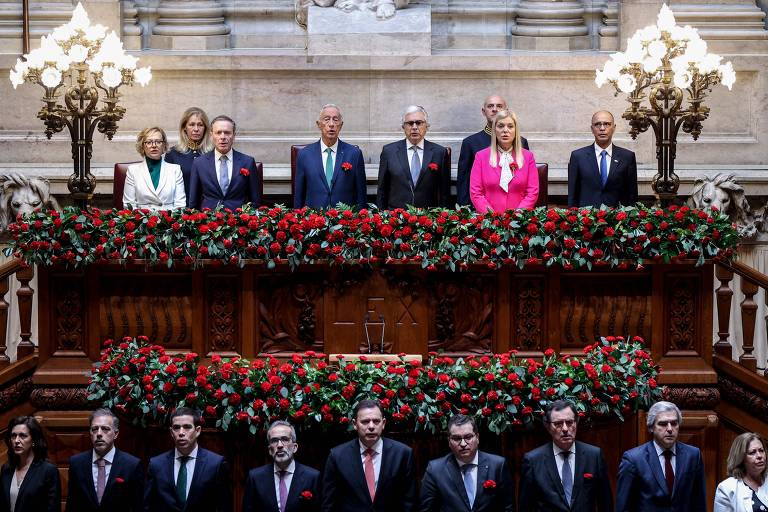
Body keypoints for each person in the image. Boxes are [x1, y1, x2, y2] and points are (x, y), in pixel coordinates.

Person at [321, 399, 416, 512]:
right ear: (355, 424)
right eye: (365, 422)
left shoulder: (403, 454)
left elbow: (409, 502)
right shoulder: (337, 456)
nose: (371, 426)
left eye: (376, 421)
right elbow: (329, 504)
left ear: (383, 423)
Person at [519, 400, 613, 512]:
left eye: (569, 422)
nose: (565, 429)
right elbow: (525, 507)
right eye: (558, 424)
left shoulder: (593, 456)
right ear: (548, 427)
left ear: (576, 423)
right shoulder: (533, 460)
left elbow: (605, 503)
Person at [615, 401, 706, 512]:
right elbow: (623, 507)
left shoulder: (693, 455)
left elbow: (699, 503)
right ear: (651, 427)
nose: (670, 429)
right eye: (663, 424)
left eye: (674, 423)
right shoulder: (633, 459)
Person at [419, 414, 515, 512]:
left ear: (477, 438)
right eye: (456, 438)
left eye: (468, 437)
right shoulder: (435, 470)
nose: (463, 444)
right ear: (449, 441)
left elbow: (508, 508)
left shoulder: (497, 465)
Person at [144, 407, 232, 512]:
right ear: (171, 432)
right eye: (176, 428)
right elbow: (147, 506)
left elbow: (224, 507)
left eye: (187, 427)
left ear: (197, 431)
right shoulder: (156, 464)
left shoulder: (215, 464)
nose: (181, 432)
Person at [65, 408, 144, 512]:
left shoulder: (131, 465)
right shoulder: (77, 463)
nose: (99, 433)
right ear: (90, 433)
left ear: (116, 434)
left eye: (105, 429)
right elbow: (72, 505)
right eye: (94, 429)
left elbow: (138, 506)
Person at [457, 95, 529, 206]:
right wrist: (465, 210)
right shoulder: (470, 143)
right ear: (483, 111)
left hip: (516, 208)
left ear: (506, 111)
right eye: (490, 106)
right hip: (480, 209)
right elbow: (464, 181)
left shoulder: (521, 142)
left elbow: (526, 181)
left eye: (499, 106)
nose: (495, 109)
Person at [376, 105, 450, 209]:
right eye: (410, 123)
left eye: (419, 123)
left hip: (428, 215)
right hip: (396, 216)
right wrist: (381, 214)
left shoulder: (439, 152)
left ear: (426, 126)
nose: (414, 127)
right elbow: (382, 189)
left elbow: (444, 192)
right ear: (403, 127)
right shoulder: (389, 152)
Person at [294, 104, 367, 209]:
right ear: (319, 124)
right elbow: (299, 194)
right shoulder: (305, 155)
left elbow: (361, 194)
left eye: (335, 120)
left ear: (341, 125)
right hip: (313, 216)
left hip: (345, 217)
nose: (331, 124)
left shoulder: (354, 154)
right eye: (327, 119)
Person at [242, 420, 321, 512]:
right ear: (270, 450)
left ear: (295, 447)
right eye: (274, 441)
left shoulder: (312, 477)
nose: (279, 445)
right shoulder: (255, 478)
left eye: (285, 439)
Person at [469, 109, 538, 212]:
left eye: (510, 126)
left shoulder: (528, 157)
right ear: (494, 130)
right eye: (500, 126)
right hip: (490, 219)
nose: (505, 130)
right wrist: (492, 217)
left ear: (516, 130)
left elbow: (532, 192)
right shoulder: (481, 157)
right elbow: (476, 193)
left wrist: (517, 216)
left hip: (519, 219)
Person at [188, 115, 261, 211]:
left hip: (238, 218)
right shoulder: (199, 163)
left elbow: (255, 201)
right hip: (209, 218)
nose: (222, 137)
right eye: (218, 133)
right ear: (211, 135)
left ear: (234, 135)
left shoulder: (247, 162)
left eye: (227, 133)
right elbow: (193, 202)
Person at [567, 110, 638, 208]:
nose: (602, 128)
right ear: (592, 129)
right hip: (586, 216)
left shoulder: (627, 157)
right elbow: (572, 195)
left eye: (607, 124)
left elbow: (632, 196)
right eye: (597, 124)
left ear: (614, 128)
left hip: (618, 216)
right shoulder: (578, 157)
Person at [0, 416, 60, 512]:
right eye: (13, 436)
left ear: (33, 440)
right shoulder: (6, 469)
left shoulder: (48, 470)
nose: (16, 441)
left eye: (23, 436)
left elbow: (53, 508)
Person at [122, 127, 186, 210]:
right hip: (141, 217)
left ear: (164, 145)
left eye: (158, 142)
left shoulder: (175, 170)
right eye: (149, 142)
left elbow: (180, 205)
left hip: (169, 217)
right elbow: (129, 205)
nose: (154, 145)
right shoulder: (133, 171)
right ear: (142, 146)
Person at [164, 107, 213, 206]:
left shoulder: (213, 153)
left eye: (200, 125)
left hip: (208, 209)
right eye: (191, 124)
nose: (196, 129)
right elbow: (168, 187)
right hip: (182, 207)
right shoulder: (172, 153)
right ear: (184, 128)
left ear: (205, 128)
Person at [714, 432, 768, 512]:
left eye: (761, 450)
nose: (759, 456)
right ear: (741, 458)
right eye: (752, 452)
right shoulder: (726, 488)